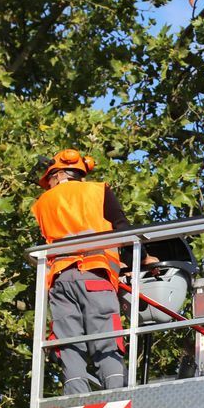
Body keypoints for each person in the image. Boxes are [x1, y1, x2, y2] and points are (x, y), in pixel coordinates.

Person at [31, 148, 157, 395]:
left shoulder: (43, 203)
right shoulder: (98, 191)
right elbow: (122, 230)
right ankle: (116, 392)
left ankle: (75, 394)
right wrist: (141, 259)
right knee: (105, 335)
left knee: (68, 341)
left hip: (60, 280)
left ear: (56, 175)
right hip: (94, 275)